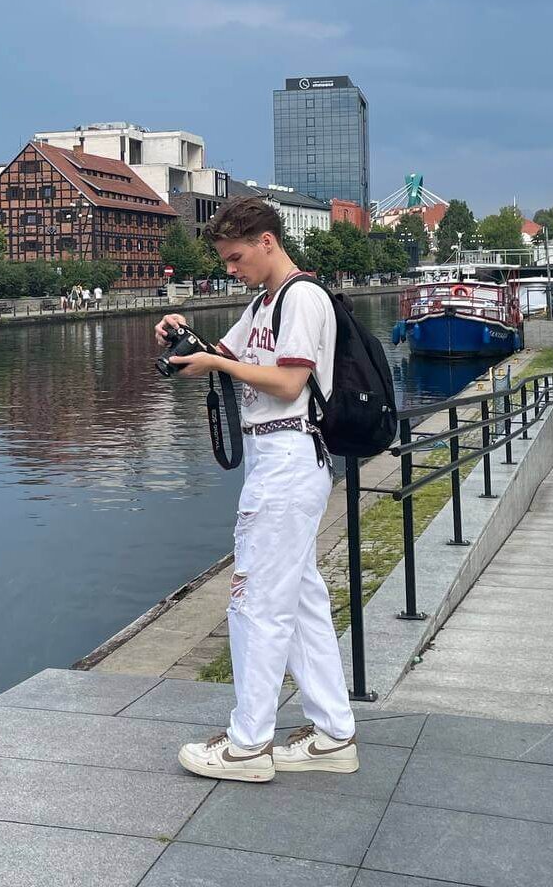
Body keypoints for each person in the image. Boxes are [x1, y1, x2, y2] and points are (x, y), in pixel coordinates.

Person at [154, 195, 356, 784]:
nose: (230, 269)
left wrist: (218, 368)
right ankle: (333, 733)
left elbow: (289, 383)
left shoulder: (302, 298)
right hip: (278, 457)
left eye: (236, 258)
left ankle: (248, 745)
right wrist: (183, 336)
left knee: (256, 600)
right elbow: (223, 354)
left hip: (288, 456)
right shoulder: (264, 302)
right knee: (300, 601)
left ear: (267, 242)